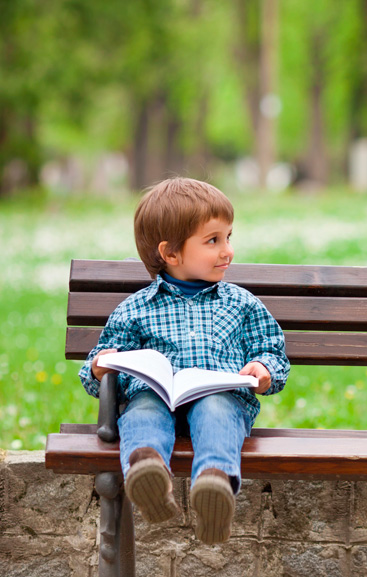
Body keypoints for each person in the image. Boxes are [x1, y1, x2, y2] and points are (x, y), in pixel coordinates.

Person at [79, 177, 289, 544]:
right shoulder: (135, 309)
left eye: (228, 237)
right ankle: (148, 475)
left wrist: (264, 368)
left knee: (216, 411)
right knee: (141, 412)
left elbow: (271, 349)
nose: (228, 251)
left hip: (219, 394)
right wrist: (101, 366)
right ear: (171, 254)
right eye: (213, 240)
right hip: (155, 396)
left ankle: (214, 487)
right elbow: (96, 372)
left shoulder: (240, 303)